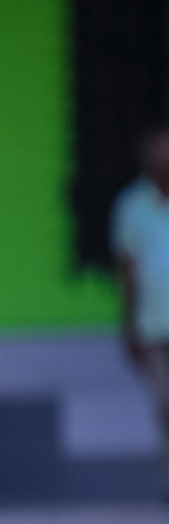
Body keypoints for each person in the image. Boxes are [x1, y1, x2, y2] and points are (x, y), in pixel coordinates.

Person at [113, 126, 169, 502]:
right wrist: (128, 327)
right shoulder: (132, 205)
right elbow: (127, 271)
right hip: (153, 327)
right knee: (166, 406)